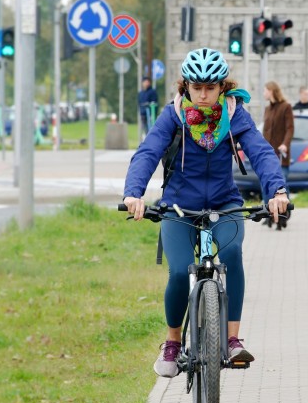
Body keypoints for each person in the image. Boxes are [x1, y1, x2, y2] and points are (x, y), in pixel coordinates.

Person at [122, 48, 290, 378]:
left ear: (222, 87)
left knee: (232, 252)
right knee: (179, 271)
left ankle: (232, 339)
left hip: (224, 203)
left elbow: (260, 152)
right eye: (196, 87)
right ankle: (172, 343)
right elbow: (147, 152)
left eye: (210, 87)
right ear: (185, 87)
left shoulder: (234, 114)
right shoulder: (172, 115)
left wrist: (277, 191)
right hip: (179, 207)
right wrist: (134, 193)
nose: (203, 94)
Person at [262, 81, 294, 229]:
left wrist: (285, 144)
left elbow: (290, 129)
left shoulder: (285, 107)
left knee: (281, 185)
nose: (264, 93)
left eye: (265, 90)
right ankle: (269, 214)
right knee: (266, 186)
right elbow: (265, 131)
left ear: (272, 91)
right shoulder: (267, 109)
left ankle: (283, 216)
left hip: (281, 154)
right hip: (267, 155)